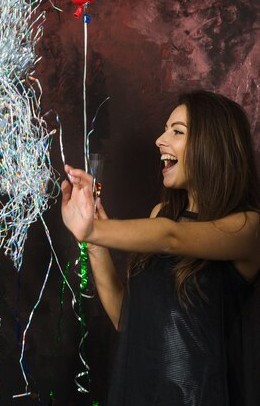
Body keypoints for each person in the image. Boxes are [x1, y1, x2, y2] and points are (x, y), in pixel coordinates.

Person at [61, 91, 260, 406]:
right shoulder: (160, 214)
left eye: (177, 131)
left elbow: (173, 237)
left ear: (213, 145)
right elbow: (125, 320)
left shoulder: (247, 227)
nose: (159, 139)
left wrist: (95, 228)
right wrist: (94, 239)